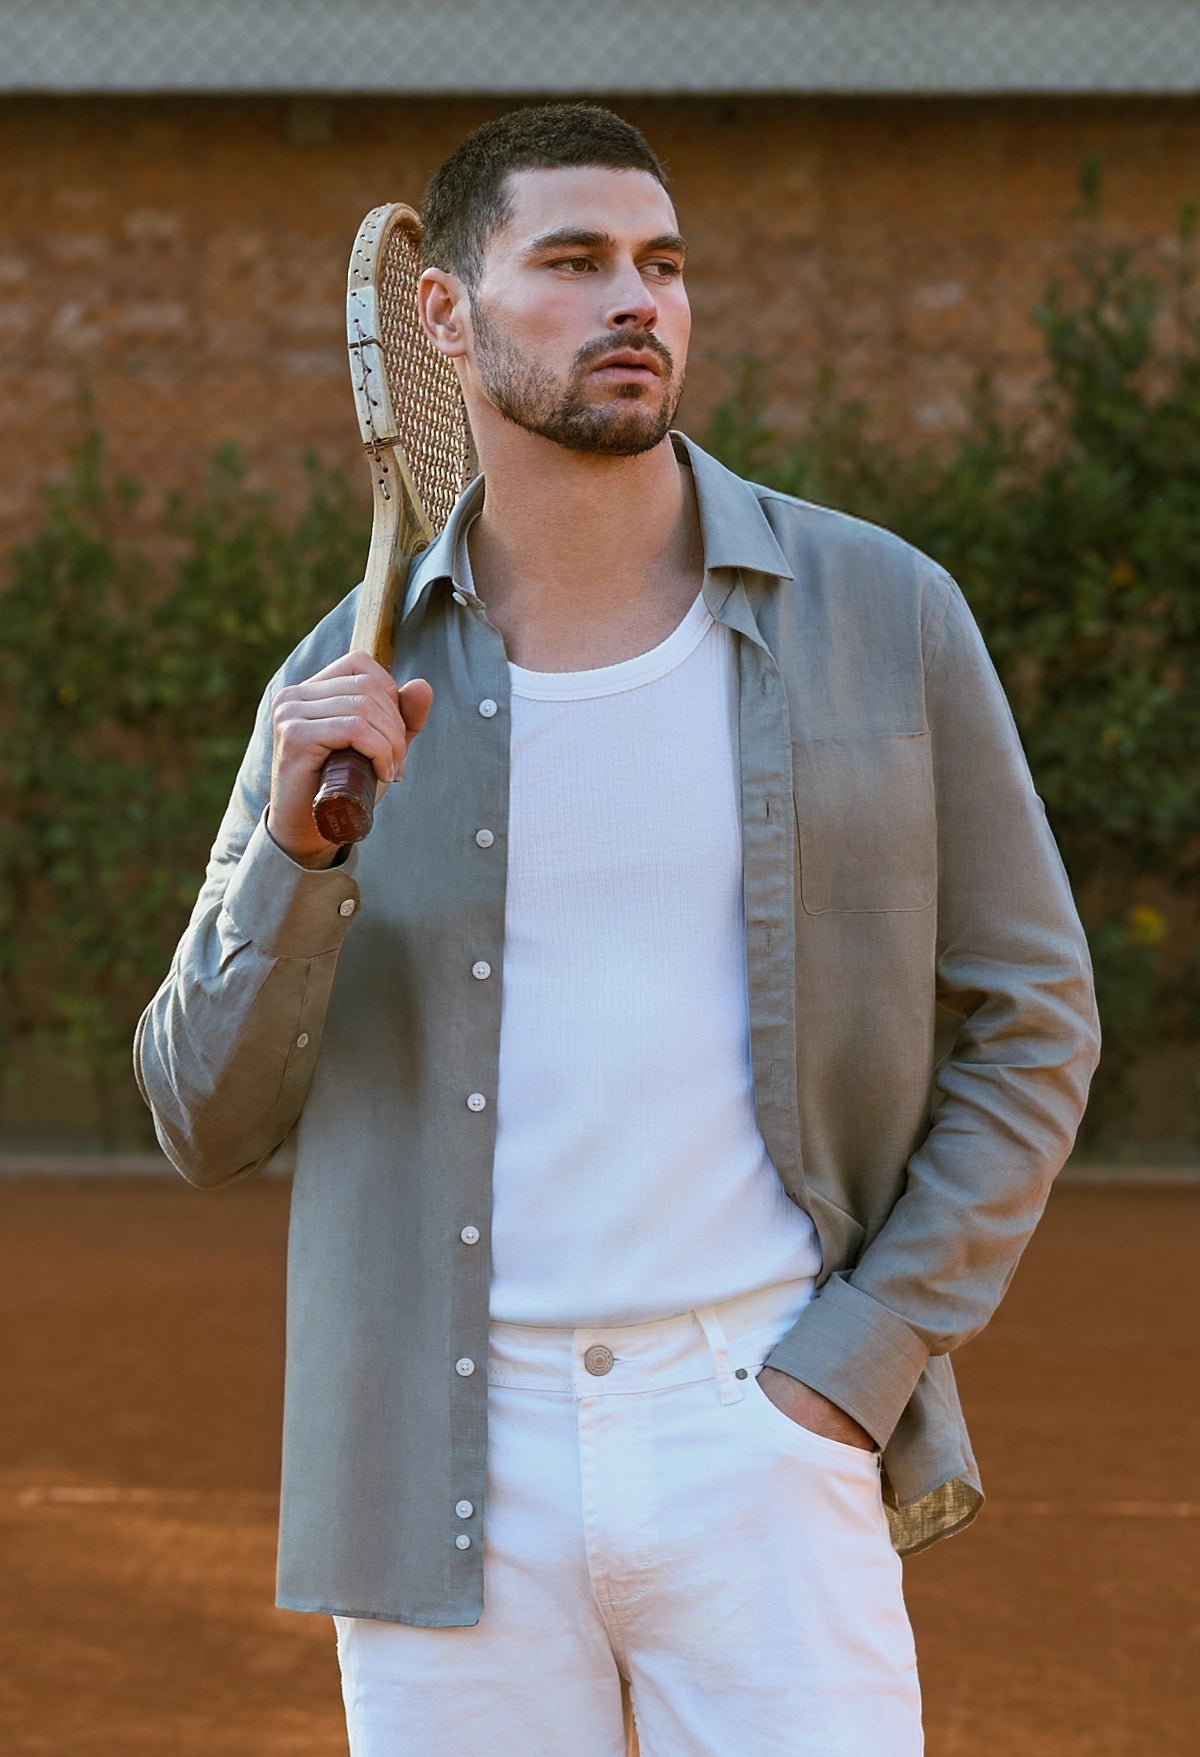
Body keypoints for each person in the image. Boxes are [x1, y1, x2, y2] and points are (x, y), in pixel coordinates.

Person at [135, 103, 1100, 1756]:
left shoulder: (883, 612)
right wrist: (295, 853)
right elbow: (198, 1112)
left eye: (661, 264)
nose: (634, 301)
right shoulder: (339, 693)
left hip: (766, 1422)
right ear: (444, 315)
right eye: (572, 263)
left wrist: (850, 1364)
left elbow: (1036, 1014)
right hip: (446, 1457)